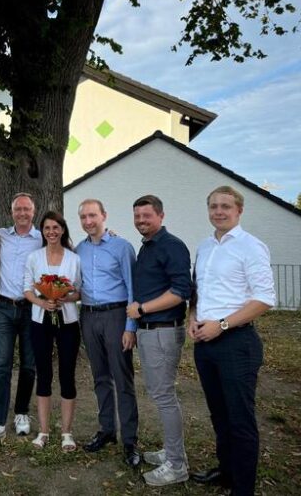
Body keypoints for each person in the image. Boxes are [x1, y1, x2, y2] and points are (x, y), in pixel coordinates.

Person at [188, 186, 275, 496]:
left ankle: (243, 488)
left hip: (237, 343)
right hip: (205, 343)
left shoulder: (252, 247)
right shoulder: (205, 246)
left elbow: (264, 299)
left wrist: (221, 325)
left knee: (240, 419)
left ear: (239, 211)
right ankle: (226, 472)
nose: (219, 211)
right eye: (213, 206)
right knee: (219, 414)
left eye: (225, 206)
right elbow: (199, 290)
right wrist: (193, 317)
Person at [126, 195, 192, 486]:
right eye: (137, 216)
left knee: (164, 397)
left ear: (161, 216)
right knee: (161, 394)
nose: (141, 220)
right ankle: (172, 452)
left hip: (163, 330)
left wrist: (141, 309)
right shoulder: (148, 246)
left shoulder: (172, 246)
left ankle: (177, 465)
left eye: (147, 216)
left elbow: (180, 291)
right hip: (151, 331)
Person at [76, 199, 140, 467]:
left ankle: (129, 441)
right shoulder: (79, 249)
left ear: (104, 215)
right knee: (100, 377)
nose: (88, 221)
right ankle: (106, 430)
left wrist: (130, 328)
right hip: (88, 316)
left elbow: (133, 288)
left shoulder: (122, 247)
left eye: (92, 215)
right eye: (83, 217)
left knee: (122, 378)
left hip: (116, 316)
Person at [0, 193, 42, 443]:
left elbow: (66, 248)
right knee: (2, 366)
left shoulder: (42, 238)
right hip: (4, 307)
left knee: (29, 365)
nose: (22, 213)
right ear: (12, 211)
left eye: (27, 209)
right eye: (18, 209)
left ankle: (21, 413)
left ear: (33, 212)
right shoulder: (0, 236)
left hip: (31, 308)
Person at [23, 211, 81, 452]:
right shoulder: (34, 257)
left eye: (56, 227)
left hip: (67, 322)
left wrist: (64, 297)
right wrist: (44, 302)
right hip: (40, 320)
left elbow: (79, 291)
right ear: (42, 231)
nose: (52, 232)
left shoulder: (74, 258)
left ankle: (67, 433)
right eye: (47, 228)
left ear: (63, 230)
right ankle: (44, 431)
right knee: (43, 374)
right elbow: (27, 290)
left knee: (67, 374)